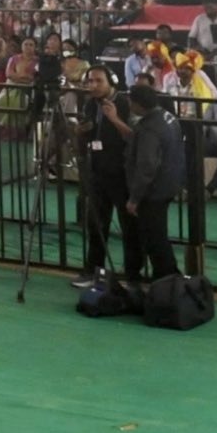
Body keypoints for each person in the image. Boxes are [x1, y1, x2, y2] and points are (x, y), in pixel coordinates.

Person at [71, 66, 137, 287]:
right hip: (97, 170)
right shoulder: (90, 104)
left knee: (129, 227)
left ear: (112, 81)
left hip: (122, 172)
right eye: (90, 81)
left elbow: (134, 138)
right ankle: (93, 271)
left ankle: (132, 274)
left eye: (98, 81)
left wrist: (115, 118)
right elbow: (87, 137)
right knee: (96, 224)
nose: (93, 85)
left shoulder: (125, 103)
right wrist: (82, 131)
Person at [123, 85, 185, 282]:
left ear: (136, 103)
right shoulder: (169, 118)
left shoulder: (148, 127)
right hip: (169, 184)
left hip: (153, 191)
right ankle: (166, 280)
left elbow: (146, 166)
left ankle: (168, 281)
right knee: (158, 234)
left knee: (154, 239)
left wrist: (134, 198)